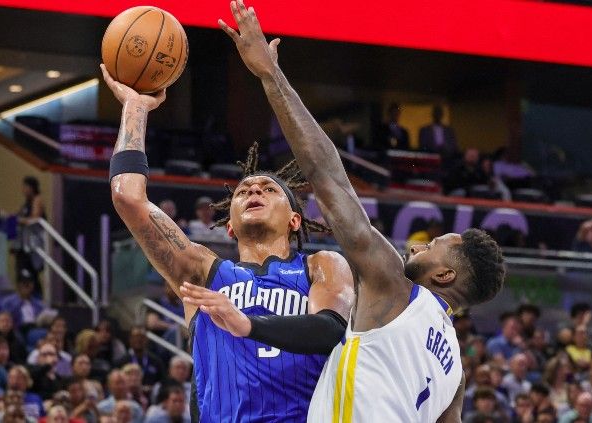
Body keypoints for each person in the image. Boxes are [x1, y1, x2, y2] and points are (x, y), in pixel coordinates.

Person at [180, 3, 505, 421]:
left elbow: (325, 174)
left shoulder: (393, 288)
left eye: (431, 248)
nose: (414, 245)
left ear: (445, 276)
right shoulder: (454, 371)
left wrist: (270, 76)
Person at [100, 13, 356, 419]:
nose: (254, 189)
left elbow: (331, 330)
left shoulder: (320, 266)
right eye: (243, 190)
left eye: (269, 189)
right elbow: (128, 198)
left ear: (294, 220)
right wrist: (136, 107)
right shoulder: (204, 271)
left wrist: (248, 324)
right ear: (230, 224)